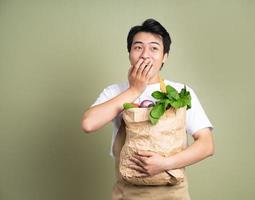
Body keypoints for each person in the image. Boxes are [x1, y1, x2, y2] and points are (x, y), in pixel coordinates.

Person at [81, 18, 214, 200]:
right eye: (138, 47)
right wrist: (134, 90)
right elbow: (88, 124)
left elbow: (206, 145)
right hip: (127, 194)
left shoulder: (180, 93)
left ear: (164, 56)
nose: (145, 55)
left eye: (154, 48)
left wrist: (165, 164)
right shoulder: (115, 92)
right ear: (129, 53)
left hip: (173, 195)